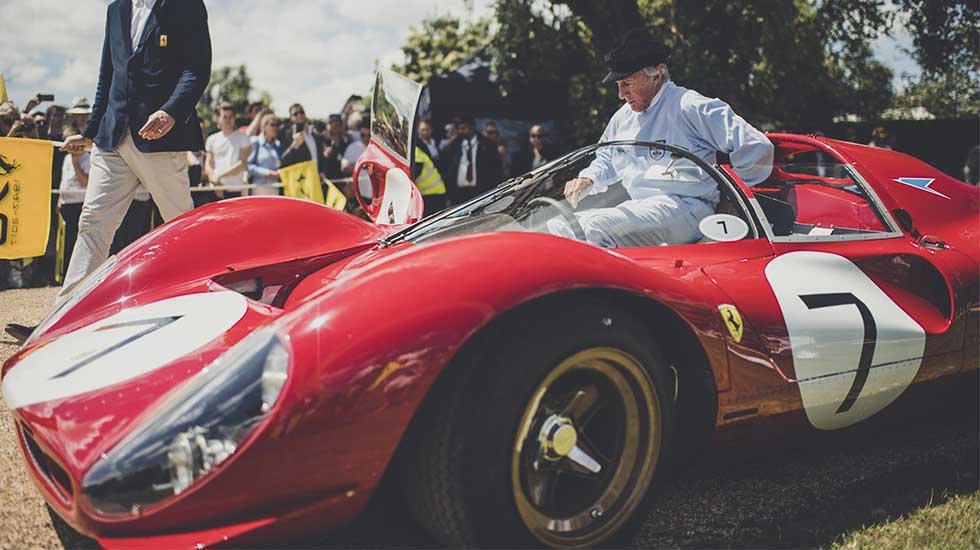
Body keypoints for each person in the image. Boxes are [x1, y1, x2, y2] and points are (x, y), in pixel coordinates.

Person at [5, 0, 212, 343]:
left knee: (179, 225)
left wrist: (171, 111)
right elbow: (108, 74)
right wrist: (89, 133)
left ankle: (204, 307)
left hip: (159, 137)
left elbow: (197, 68)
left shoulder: (186, 5)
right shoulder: (116, 8)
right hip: (111, 137)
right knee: (93, 224)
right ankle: (61, 320)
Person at [561, 29, 773, 248]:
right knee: (560, 227)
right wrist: (588, 179)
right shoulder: (623, 116)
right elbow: (607, 158)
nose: (621, 95)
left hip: (688, 209)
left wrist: (732, 201)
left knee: (592, 228)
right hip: (643, 209)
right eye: (618, 85)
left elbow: (757, 146)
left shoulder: (689, 105)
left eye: (627, 83)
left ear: (657, 75)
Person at [440, 117, 503, 205]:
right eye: (458, 129)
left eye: (463, 128)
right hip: (458, 194)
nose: (460, 132)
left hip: (480, 193)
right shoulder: (453, 146)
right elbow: (446, 167)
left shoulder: (488, 145)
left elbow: (496, 169)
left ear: (472, 128)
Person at [57, 128, 90, 282]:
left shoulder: (87, 157)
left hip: (80, 202)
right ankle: (66, 277)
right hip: (67, 203)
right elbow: (64, 181)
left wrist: (76, 161)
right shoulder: (65, 158)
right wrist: (59, 200)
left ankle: (79, 277)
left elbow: (85, 183)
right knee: (67, 243)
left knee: (80, 241)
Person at [205, 102, 251, 199]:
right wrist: (215, 182)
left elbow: (242, 164)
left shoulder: (243, 137)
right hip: (215, 190)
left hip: (234, 190)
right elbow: (208, 164)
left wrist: (219, 177)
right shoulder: (211, 139)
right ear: (218, 118)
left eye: (231, 116)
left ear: (235, 118)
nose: (228, 120)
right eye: (224, 116)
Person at [280, 103, 328, 176]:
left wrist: (322, 172)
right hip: (300, 180)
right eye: (295, 114)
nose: (299, 115)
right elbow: (284, 160)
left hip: (317, 179)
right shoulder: (287, 135)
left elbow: (320, 156)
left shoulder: (314, 135)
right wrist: (295, 145)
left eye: (301, 112)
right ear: (291, 117)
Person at [246, 112, 282, 195]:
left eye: (277, 125)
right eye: (272, 125)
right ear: (264, 127)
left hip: (275, 188)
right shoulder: (255, 142)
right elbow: (248, 165)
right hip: (259, 188)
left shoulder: (278, 145)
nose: (275, 128)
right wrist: (265, 173)